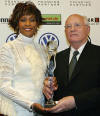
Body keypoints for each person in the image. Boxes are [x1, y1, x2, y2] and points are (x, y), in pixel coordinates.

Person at [35, 14, 100, 116]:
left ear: (88, 29)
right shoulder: (57, 57)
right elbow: (54, 92)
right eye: (68, 26)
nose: (72, 29)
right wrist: (48, 89)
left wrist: (76, 101)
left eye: (77, 25)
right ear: (65, 31)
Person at [0, 1, 48, 116]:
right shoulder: (8, 48)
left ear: (37, 23)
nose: (28, 24)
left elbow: (44, 80)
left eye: (32, 20)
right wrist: (30, 105)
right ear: (17, 23)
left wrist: (49, 84)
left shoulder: (43, 49)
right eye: (23, 20)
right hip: (16, 111)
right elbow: (3, 86)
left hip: (40, 110)